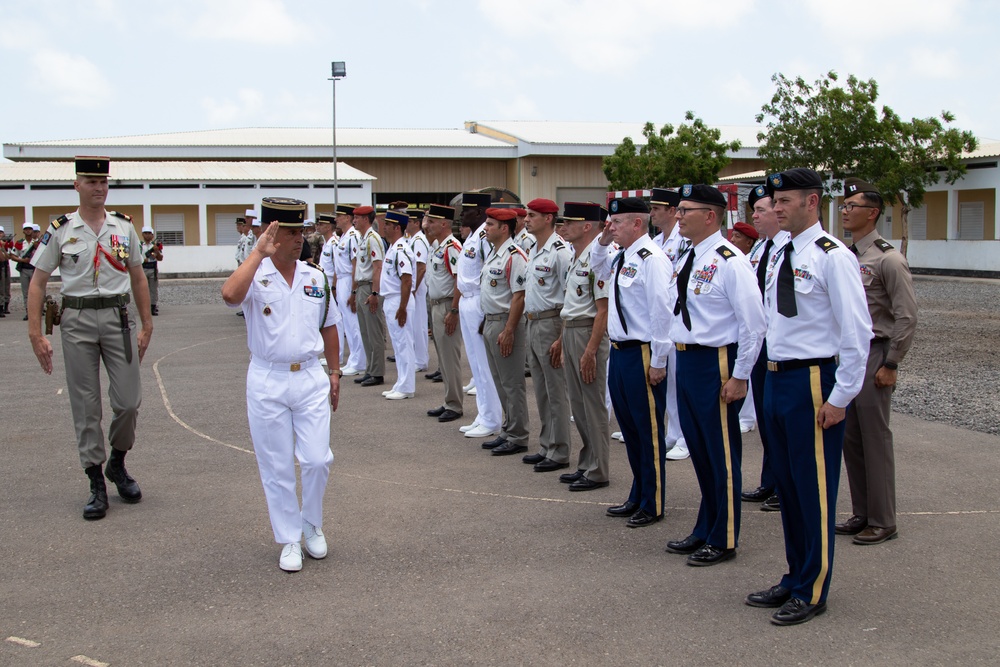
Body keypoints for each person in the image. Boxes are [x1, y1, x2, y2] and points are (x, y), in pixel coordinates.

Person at [745, 167, 871, 626]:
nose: (776, 208)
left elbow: (858, 332)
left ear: (812, 201)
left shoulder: (831, 256)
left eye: (784, 201)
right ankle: (796, 574)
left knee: (814, 490)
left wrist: (840, 397)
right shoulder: (780, 251)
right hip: (777, 379)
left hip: (813, 380)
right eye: (773, 202)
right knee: (790, 488)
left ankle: (813, 589)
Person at [27, 156, 154, 520]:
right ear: (77, 185)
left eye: (103, 182)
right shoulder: (62, 229)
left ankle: (117, 461)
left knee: (128, 401)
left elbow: (138, 276)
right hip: (77, 320)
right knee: (86, 404)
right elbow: (37, 281)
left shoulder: (123, 227)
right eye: (90, 181)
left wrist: (147, 325)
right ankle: (96, 479)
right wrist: (36, 334)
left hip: (117, 318)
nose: (98, 188)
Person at [221, 197, 341, 572]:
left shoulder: (315, 276)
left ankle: (310, 522)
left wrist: (335, 372)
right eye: (289, 232)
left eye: (300, 232)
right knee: (276, 465)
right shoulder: (254, 275)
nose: (297, 239)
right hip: (268, 378)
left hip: (309, 375)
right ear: (270, 233)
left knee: (317, 459)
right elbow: (229, 295)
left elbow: (329, 324)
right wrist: (258, 253)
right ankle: (290, 537)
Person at [663, 184, 766, 566]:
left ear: (710, 215)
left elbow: (753, 325)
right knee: (701, 451)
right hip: (687, 360)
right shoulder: (690, 254)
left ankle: (724, 538)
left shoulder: (730, 260)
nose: (678, 216)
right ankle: (705, 526)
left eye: (686, 210)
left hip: (716, 362)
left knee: (721, 453)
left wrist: (740, 376)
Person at [838, 177, 918, 545]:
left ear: (872, 213)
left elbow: (906, 315)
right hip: (849, 353)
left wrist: (892, 363)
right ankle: (862, 512)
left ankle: (884, 519)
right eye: (843, 205)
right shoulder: (845, 255)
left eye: (852, 206)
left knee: (874, 437)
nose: (845, 211)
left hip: (875, 352)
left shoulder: (888, 258)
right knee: (851, 437)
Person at [591, 197, 673, 528]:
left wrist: (659, 359)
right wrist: (604, 240)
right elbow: (597, 267)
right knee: (629, 428)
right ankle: (638, 492)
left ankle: (652, 502)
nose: (611, 227)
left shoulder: (652, 259)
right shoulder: (622, 255)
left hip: (642, 352)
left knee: (648, 431)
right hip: (621, 352)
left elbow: (661, 310)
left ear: (637, 224)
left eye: (617, 223)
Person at [741, 185, 791, 512]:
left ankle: (784, 486)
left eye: (761, 210)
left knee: (782, 423)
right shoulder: (760, 248)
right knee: (764, 416)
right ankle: (769, 480)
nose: (755, 216)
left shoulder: (790, 247)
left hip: (781, 346)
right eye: (754, 211)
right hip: (760, 344)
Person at [557, 202, 611, 491]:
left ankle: (599, 469)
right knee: (578, 405)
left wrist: (590, 350)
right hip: (572, 331)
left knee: (592, 404)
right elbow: (571, 304)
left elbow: (602, 310)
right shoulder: (577, 256)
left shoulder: (597, 258)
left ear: (588, 226)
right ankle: (587, 462)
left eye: (570, 222)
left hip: (588, 333)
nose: (564, 226)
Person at [521, 198, 574, 472]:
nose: (526, 219)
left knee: (555, 390)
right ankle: (546, 445)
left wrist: (561, 339)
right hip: (533, 322)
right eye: (527, 215)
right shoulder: (533, 248)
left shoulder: (560, 252)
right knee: (541, 390)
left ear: (549, 218)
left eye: (532, 215)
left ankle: (560, 449)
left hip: (551, 323)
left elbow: (569, 297)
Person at [478, 207, 530, 456]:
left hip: (506, 323)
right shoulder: (494, 253)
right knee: (500, 381)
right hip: (491, 321)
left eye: (490, 224)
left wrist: (509, 330)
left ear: (504, 228)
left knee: (512, 382)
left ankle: (519, 435)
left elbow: (519, 296)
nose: (485, 228)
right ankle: (508, 430)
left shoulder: (514, 255)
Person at [454, 192, 503, 439]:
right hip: (466, 300)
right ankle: (483, 413)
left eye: (467, 211)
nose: (462, 215)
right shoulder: (473, 236)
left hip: (477, 302)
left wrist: (485, 310)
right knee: (475, 363)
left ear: (481, 212)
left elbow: (488, 275)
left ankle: (492, 418)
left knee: (484, 365)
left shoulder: (484, 236)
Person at [648, 187, 689, 462]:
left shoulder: (682, 240)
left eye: (656, 208)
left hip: (679, 316)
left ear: (671, 211)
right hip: (665, 319)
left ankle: (684, 437)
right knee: (670, 382)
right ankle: (673, 433)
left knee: (679, 382)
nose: (651, 213)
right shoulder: (659, 240)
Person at [424, 204, 465, 423]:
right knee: (442, 357)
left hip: (448, 305)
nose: (427, 225)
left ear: (444, 223)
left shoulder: (452, 247)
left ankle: (455, 404)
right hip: (437, 304)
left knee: (450, 358)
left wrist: (454, 310)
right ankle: (449, 400)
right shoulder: (438, 246)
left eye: (431, 221)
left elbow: (459, 280)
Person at [348, 205, 387, 387]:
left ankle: (377, 373)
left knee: (374, 332)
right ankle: (370, 369)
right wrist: (355, 291)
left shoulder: (373, 238)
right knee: (365, 332)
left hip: (370, 287)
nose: (354, 220)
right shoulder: (363, 239)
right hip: (362, 286)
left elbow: (378, 267)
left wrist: (375, 293)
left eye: (356, 218)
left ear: (365, 219)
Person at [380, 210, 416, 399]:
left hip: (399, 299)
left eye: (387, 224)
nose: (384, 227)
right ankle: (401, 382)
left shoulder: (402, 249)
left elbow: (407, 280)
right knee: (398, 344)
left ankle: (407, 386)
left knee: (404, 344)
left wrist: (402, 308)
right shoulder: (393, 247)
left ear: (396, 227)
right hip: (392, 299)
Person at [328, 204, 366, 376]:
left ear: (348, 218)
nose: (336, 219)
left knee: (353, 323)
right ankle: (354, 359)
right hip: (342, 280)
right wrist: (336, 286)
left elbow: (355, 264)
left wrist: (353, 290)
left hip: (349, 280)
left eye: (339, 216)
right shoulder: (343, 237)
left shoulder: (353, 237)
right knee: (348, 324)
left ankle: (359, 362)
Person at [406, 211, 431, 373]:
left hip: (418, 288)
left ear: (416, 223)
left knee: (419, 323)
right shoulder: (412, 239)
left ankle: (421, 360)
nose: (406, 224)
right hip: (414, 286)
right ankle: (417, 357)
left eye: (410, 221)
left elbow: (421, 268)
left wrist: (413, 289)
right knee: (415, 323)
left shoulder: (419, 241)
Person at [12, 222, 39, 320]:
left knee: (36, 292)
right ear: (23, 231)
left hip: (35, 269)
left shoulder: (37, 243)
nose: (28, 231)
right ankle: (28, 312)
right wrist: (23, 260)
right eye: (26, 229)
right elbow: (13, 256)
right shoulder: (19, 243)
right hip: (24, 269)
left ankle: (37, 311)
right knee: (26, 292)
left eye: (30, 229)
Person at [140, 225, 163, 316]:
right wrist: (143, 259)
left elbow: (160, 258)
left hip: (152, 268)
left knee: (153, 289)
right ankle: (143, 307)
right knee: (142, 289)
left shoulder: (154, 246)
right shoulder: (139, 245)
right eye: (145, 233)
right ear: (142, 234)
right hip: (143, 268)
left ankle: (153, 306)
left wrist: (157, 252)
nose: (147, 236)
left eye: (149, 233)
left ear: (152, 235)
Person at [0, 225, 10, 317]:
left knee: (6, 287)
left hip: (5, 266)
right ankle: (1, 307)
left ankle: (6, 305)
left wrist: (3, 247)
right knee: (1, 288)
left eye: (1, 232)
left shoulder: (6, 244)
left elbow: (8, 257)